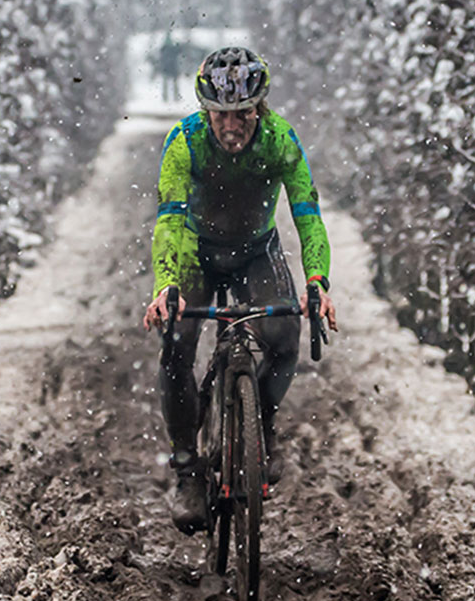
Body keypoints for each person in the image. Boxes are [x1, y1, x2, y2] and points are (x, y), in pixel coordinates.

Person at [141, 46, 339, 535]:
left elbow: (307, 214)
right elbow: (169, 220)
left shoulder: (280, 140)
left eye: (243, 115)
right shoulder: (185, 141)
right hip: (196, 251)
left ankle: (262, 428)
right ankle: (187, 472)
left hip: (255, 251)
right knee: (177, 346)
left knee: (286, 338)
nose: (231, 127)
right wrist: (167, 285)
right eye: (220, 116)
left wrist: (317, 281)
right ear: (206, 112)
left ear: (259, 109)